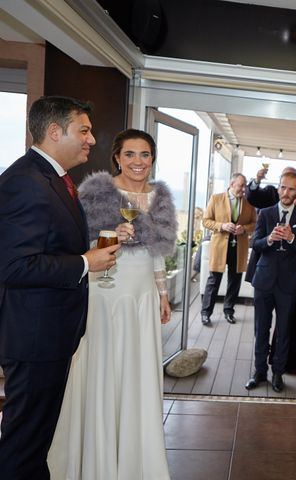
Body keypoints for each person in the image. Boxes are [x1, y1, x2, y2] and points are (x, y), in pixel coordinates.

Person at [47, 129, 177, 480]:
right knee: (103, 367)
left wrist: (162, 293)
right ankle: (97, 460)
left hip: (141, 295)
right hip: (105, 290)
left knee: (137, 371)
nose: (138, 162)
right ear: (117, 157)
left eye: (145, 154)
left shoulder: (160, 197)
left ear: (153, 159)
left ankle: (136, 460)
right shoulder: (95, 192)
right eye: (131, 154)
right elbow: (77, 242)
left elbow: (157, 253)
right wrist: (109, 235)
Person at [0, 96, 118, 480]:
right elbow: (15, 265)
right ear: (54, 132)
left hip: (47, 334)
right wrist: (86, 262)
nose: (91, 140)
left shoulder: (51, 179)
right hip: (34, 337)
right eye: (83, 130)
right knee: (23, 444)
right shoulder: (26, 183)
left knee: (33, 441)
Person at [245, 171, 296, 392]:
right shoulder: (265, 213)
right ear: (278, 188)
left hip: (288, 283)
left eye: (291, 189)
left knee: (283, 331)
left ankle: (277, 374)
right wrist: (269, 238)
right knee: (260, 329)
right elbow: (255, 243)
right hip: (264, 280)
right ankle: (259, 372)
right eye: (283, 187)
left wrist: (292, 238)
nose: (286, 192)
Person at [201, 173, 256, 325]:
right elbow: (205, 221)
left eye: (244, 185)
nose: (243, 189)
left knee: (235, 281)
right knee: (214, 280)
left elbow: (254, 224)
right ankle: (206, 313)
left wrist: (243, 229)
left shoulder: (249, 203)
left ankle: (229, 311)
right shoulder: (216, 199)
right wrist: (222, 226)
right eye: (240, 185)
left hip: (239, 248)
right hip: (220, 247)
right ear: (232, 185)